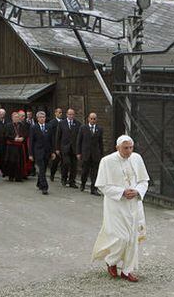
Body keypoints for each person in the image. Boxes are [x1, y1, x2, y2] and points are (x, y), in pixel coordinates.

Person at [91, 135, 149, 283]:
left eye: (131, 147)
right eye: (125, 148)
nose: (129, 151)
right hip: (116, 206)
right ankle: (111, 261)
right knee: (121, 238)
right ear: (117, 148)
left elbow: (144, 181)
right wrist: (122, 192)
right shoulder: (107, 161)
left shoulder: (137, 158)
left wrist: (137, 191)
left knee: (132, 239)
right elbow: (102, 185)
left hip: (134, 204)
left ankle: (127, 270)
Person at [76, 113, 104, 195]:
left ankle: (94, 189)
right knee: (85, 171)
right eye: (91, 119)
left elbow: (100, 142)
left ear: (96, 119)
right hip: (86, 153)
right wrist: (78, 152)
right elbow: (79, 141)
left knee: (94, 172)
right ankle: (83, 183)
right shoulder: (83, 128)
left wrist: (101, 153)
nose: (93, 120)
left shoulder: (99, 129)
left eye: (94, 119)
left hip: (95, 154)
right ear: (88, 119)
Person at [29, 111, 55, 195]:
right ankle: (44, 187)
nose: (42, 119)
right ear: (37, 119)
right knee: (42, 168)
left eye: (43, 117)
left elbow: (52, 140)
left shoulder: (49, 127)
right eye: (40, 117)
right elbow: (31, 142)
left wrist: (53, 152)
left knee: (42, 169)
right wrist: (30, 154)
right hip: (38, 152)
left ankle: (39, 183)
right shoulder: (34, 128)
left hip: (47, 152)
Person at [55, 108, 81, 188]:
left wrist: (79, 150)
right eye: (69, 114)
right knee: (66, 163)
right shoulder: (62, 123)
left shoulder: (78, 124)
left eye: (72, 114)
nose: (71, 116)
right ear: (67, 114)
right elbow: (58, 136)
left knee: (74, 166)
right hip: (64, 148)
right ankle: (64, 178)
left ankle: (72, 181)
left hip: (74, 148)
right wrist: (57, 148)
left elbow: (79, 138)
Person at [4, 112, 26, 182]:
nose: (17, 118)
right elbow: (6, 135)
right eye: (15, 117)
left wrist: (22, 138)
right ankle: (11, 176)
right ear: (12, 118)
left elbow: (25, 134)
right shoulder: (8, 125)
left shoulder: (22, 125)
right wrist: (14, 138)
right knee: (12, 162)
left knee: (19, 162)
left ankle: (18, 177)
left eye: (18, 117)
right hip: (11, 146)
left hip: (19, 146)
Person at [48, 108, 63, 181]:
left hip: (62, 144)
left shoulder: (63, 122)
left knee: (64, 161)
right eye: (59, 112)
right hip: (55, 144)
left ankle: (63, 177)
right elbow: (50, 135)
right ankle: (52, 174)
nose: (60, 114)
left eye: (61, 112)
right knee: (55, 161)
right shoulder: (52, 123)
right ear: (55, 113)